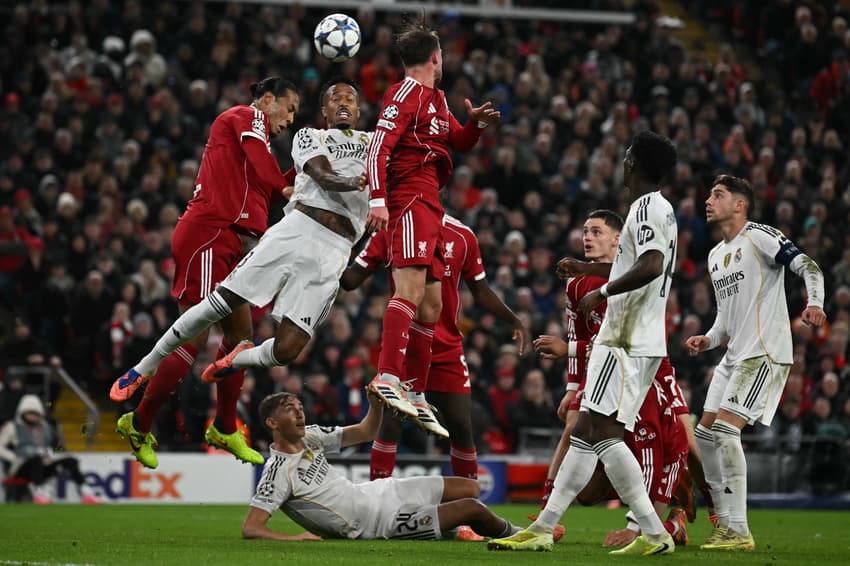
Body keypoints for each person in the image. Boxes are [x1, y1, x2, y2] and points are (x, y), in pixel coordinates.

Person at [111, 78, 371, 469]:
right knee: (196, 336)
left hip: (233, 239)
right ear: (268, 99)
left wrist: (299, 182)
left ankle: (226, 427)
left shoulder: (266, 143)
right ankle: (140, 420)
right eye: (289, 107)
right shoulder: (245, 116)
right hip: (209, 230)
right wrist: (290, 192)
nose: (290, 118)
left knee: (240, 338)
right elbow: (270, 175)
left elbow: (278, 179)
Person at [490, 131, 679, 554]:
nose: (623, 161)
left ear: (638, 164)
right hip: (639, 337)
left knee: (603, 433)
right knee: (586, 433)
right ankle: (544, 526)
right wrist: (587, 269)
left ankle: (653, 531)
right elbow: (636, 263)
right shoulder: (654, 209)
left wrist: (604, 292)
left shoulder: (648, 206)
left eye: (629, 156)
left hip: (626, 337)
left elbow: (652, 264)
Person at [363, 18, 500, 425]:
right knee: (408, 291)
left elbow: (456, 142)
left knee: (433, 304)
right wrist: (378, 201)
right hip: (408, 200)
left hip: (431, 205)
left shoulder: (437, 100)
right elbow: (378, 149)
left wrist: (474, 124)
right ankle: (388, 377)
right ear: (435, 57)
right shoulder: (403, 93)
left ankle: (416, 390)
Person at [685, 174, 826, 551]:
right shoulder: (716, 256)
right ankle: (724, 522)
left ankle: (738, 529)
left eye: (718, 195)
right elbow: (725, 322)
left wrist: (815, 303)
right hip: (734, 356)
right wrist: (708, 338)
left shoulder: (760, 236)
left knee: (727, 432)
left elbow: (808, 266)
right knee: (704, 435)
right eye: (709, 195)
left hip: (764, 350)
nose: (708, 201)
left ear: (739, 204)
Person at [534, 210, 691, 546]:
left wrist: (569, 349)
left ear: (618, 239)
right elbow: (580, 330)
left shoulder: (631, 277)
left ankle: (690, 509)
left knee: (685, 443)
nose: (587, 238)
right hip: (600, 367)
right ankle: (547, 516)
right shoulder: (576, 284)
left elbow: (624, 338)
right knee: (581, 448)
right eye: (585, 231)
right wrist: (571, 388)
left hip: (645, 368)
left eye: (597, 232)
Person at [339, 214, 527, 480]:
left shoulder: (463, 236)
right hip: (403, 348)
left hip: (446, 348)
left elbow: (481, 289)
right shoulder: (390, 228)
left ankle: (467, 510)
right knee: (390, 424)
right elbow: (350, 280)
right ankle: (376, 505)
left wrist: (513, 318)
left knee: (461, 426)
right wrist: (330, 251)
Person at [241, 391, 525, 542]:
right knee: (472, 508)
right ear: (272, 423)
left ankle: (454, 530)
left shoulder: (312, 436)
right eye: (290, 408)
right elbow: (252, 528)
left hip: (380, 492)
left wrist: (374, 405)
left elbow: (365, 432)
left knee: (470, 487)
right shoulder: (278, 472)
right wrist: (295, 538)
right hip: (379, 524)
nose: (300, 411)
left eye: (300, 406)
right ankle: (520, 534)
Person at [0, 395, 99, 504]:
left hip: (43, 463)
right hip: (21, 466)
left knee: (70, 461)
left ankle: (85, 490)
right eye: (29, 413)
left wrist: (53, 456)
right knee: (36, 461)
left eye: (35, 414)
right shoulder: (12, 426)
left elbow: (58, 447)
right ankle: (40, 491)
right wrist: (14, 458)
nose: (32, 417)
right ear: (21, 413)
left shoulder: (46, 427)